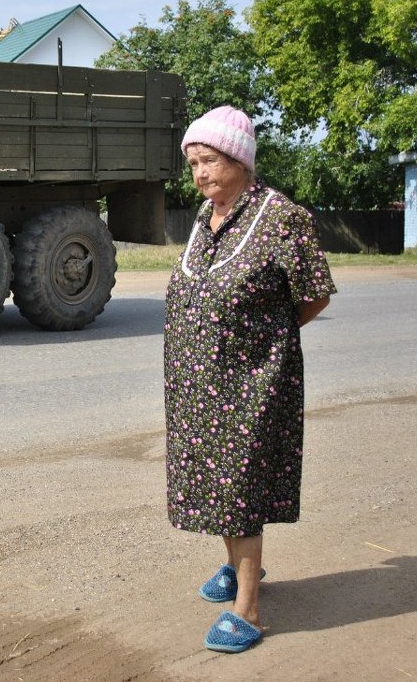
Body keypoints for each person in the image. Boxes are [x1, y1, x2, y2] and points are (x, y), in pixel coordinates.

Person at [163, 105, 336, 654]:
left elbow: (314, 294)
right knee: (218, 480)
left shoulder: (282, 217)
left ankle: (249, 608)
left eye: (209, 161)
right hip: (197, 382)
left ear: (239, 158)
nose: (200, 174)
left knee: (238, 485)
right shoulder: (207, 214)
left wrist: (264, 342)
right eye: (193, 164)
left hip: (249, 380)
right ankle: (240, 567)